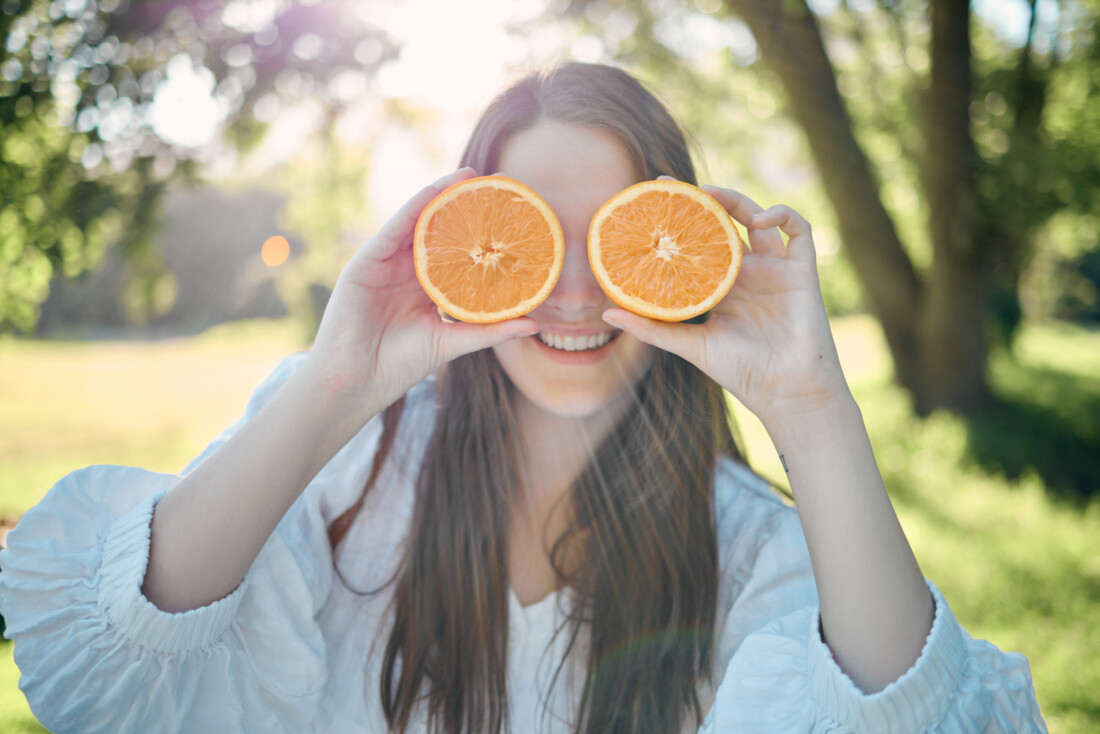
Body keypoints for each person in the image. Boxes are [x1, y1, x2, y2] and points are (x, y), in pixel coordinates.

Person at [0, 62, 1045, 734]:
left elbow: (916, 719)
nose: (578, 292)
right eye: (529, 237)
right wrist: (336, 381)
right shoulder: (351, 458)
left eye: (622, 241)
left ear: (683, 251)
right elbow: (121, 658)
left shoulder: (754, 548)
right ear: (463, 245)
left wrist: (810, 405)